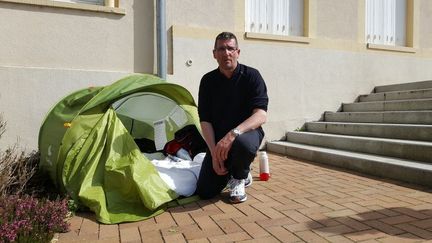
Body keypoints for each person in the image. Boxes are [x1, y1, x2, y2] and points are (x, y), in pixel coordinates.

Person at [195, 32, 268, 203]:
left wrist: (233, 134)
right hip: (220, 140)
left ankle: (240, 176)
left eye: (230, 48)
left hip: (246, 134)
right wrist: (214, 154)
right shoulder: (207, 81)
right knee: (205, 191)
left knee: (242, 144)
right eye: (221, 48)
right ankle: (233, 168)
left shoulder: (252, 76)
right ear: (214, 54)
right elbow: (204, 120)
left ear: (238, 52)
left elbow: (261, 115)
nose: (226, 53)